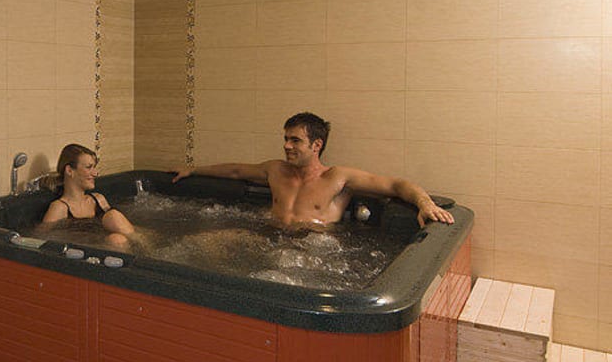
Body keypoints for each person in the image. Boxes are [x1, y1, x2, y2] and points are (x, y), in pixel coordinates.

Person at [173, 112, 454, 228]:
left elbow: (396, 186)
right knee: (208, 241)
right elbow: (235, 171)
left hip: (314, 251)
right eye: (286, 139)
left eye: (295, 140)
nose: (287, 146)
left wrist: (425, 203)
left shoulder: (338, 178)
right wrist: (193, 170)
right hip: (270, 237)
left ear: (316, 145)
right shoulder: (275, 170)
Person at [41, 144, 135, 238]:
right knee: (116, 238)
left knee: (114, 223)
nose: (95, 173)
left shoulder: (98, 200)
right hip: (83, 246)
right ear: (69, 170)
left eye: (94, 167)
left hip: (108, 243)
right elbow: (40, 238)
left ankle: (139, 241)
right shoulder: (59, 208)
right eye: (89, 167)